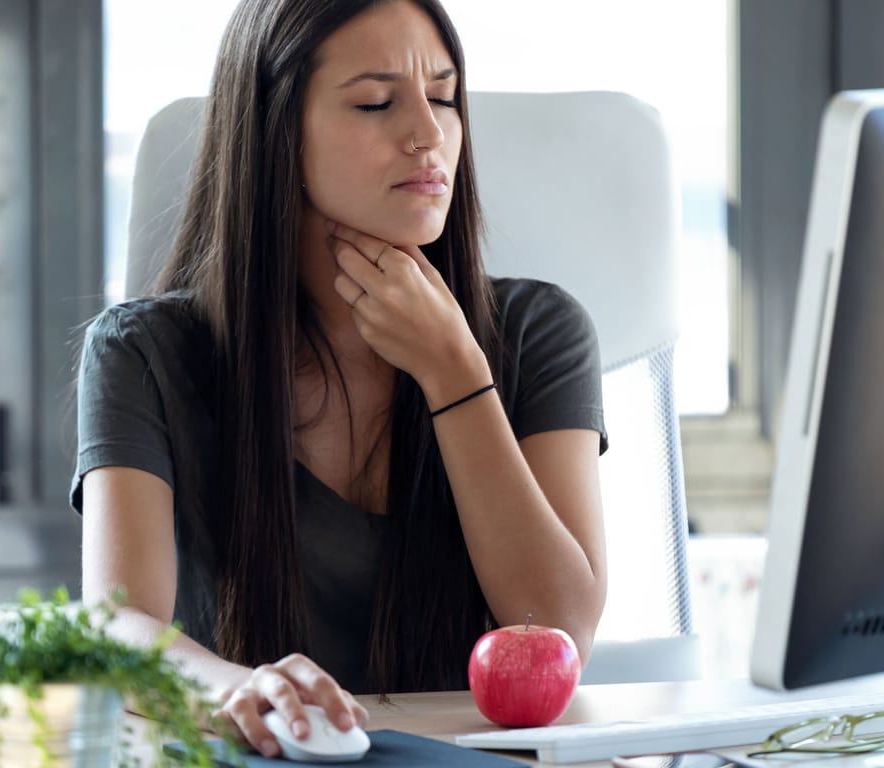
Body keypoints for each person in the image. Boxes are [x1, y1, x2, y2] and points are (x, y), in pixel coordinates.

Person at [73, 0, 608, 757]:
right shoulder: (143, 354)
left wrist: (453, 370)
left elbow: (560, 629)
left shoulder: (539, 332)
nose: (429, 134)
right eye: (376, 102)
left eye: (446, 97)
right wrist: (237, 689)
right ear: (277, 132)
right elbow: (118, 629)